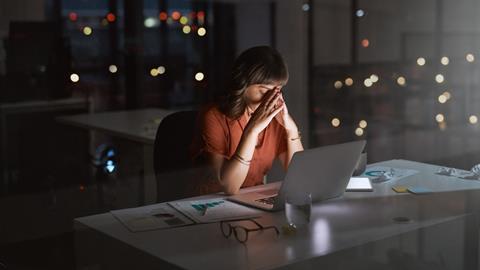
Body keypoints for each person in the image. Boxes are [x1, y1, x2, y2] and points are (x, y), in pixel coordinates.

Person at [191, 46, 304, 195]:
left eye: (277, 90)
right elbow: (229, 187)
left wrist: (291, 129)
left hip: (249, 200)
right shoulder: (213, 117)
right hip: (209, 204)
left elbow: (300, 176)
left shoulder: (276, 121)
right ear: (243, 85)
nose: (272, 98)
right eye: (264, 90)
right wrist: (252, 131)